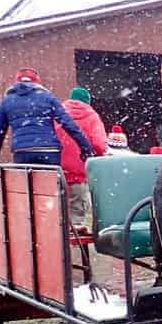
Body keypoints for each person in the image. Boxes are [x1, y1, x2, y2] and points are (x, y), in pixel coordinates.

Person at [0, 68, 94, 168]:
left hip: (22, 151)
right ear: (37, 82)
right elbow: (69, 124)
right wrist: (86, 148)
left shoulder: (7, 101)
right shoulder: (48, 98)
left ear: (17, 82)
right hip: (49, 150)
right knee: (51, 185)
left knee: (27, 186)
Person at [53, 87, 108, 226]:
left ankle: (60, 244)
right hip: (79, 173)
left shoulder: (58, 113)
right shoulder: (91, 116)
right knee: (77, 217)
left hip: (57, 172)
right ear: (87, 101)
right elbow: (99, 144)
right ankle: (77, 245)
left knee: (58, 216)